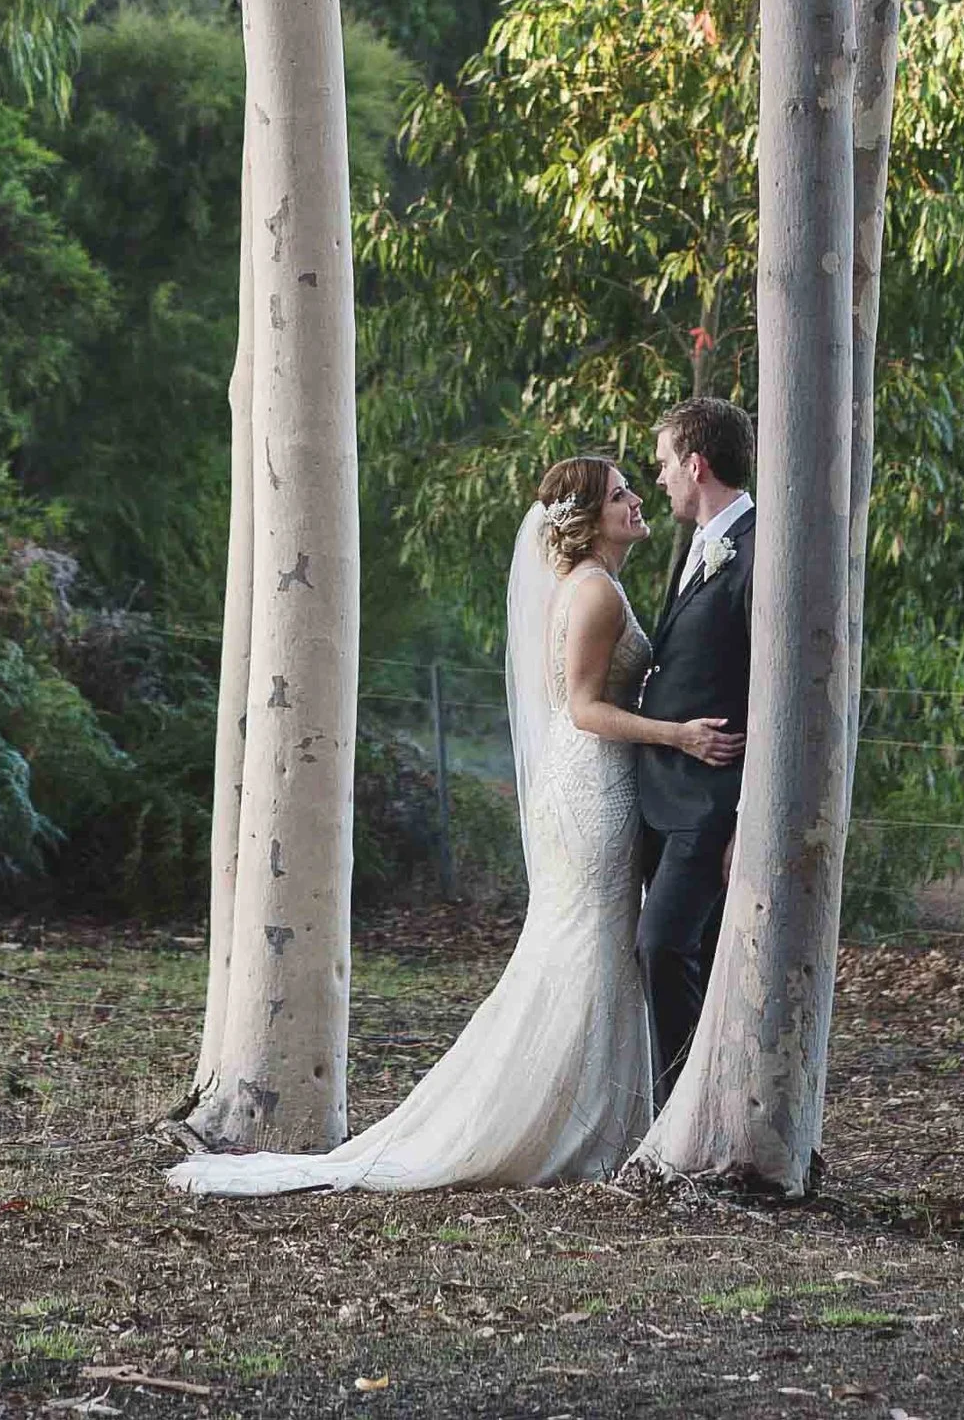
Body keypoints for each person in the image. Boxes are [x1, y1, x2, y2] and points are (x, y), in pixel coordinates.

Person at [168, 451, 709, 1195]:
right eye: (621, 494)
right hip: (593, 784)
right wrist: (678, 734)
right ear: (589, 519)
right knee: (590, 943)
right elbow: (584, 709)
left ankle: (598, 1119)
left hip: (592, 778)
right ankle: (567, 1126)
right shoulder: (594, 593)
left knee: (595, 944)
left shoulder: (595, 583)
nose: (636, 500)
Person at [632, 394, 755, 1104]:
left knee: (665, 943)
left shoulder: (757, 549)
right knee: (694, 956)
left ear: (696, 463)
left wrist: (745, 818)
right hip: (663, 796)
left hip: (711, 805)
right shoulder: (704, 543)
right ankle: (707, 1109)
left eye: (664, 464)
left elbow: (772, 694)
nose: (660, 478)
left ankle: (680, 1112)